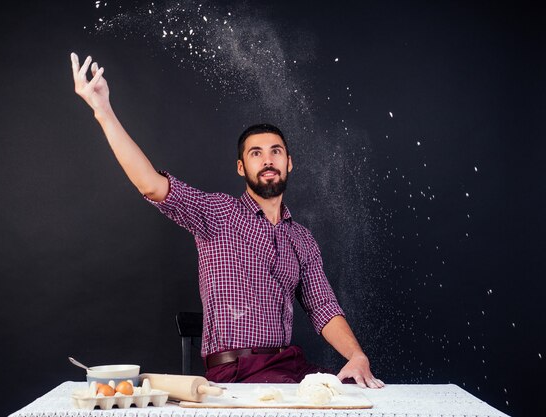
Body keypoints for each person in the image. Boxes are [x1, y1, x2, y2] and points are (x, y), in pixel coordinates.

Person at [70, 52, 384, 388]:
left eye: (275, 151)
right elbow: (150, 183)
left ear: (289, 162)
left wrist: (356, 355)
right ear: (241, 168)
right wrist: (102, 111)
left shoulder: (302, 239)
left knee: (351, 393)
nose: (267, 160)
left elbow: (323, 306)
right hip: (238, 371)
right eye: (255, 153)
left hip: (289, 365)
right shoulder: (217, 214)